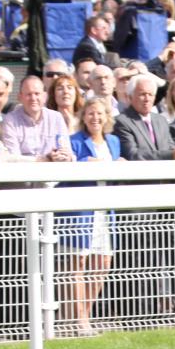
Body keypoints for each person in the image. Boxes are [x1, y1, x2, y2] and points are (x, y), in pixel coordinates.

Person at [60, 97, 122, 336]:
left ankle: (83, 315)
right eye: (91, 113)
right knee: (77, 264)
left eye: (100, 114)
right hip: (80, 211)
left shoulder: (114, 141)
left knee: (102, 263)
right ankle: (78, 320)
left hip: (105, 211)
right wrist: (87, 162)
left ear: (107, 117)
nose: (95, 118)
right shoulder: (75, 141)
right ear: (83, 116)